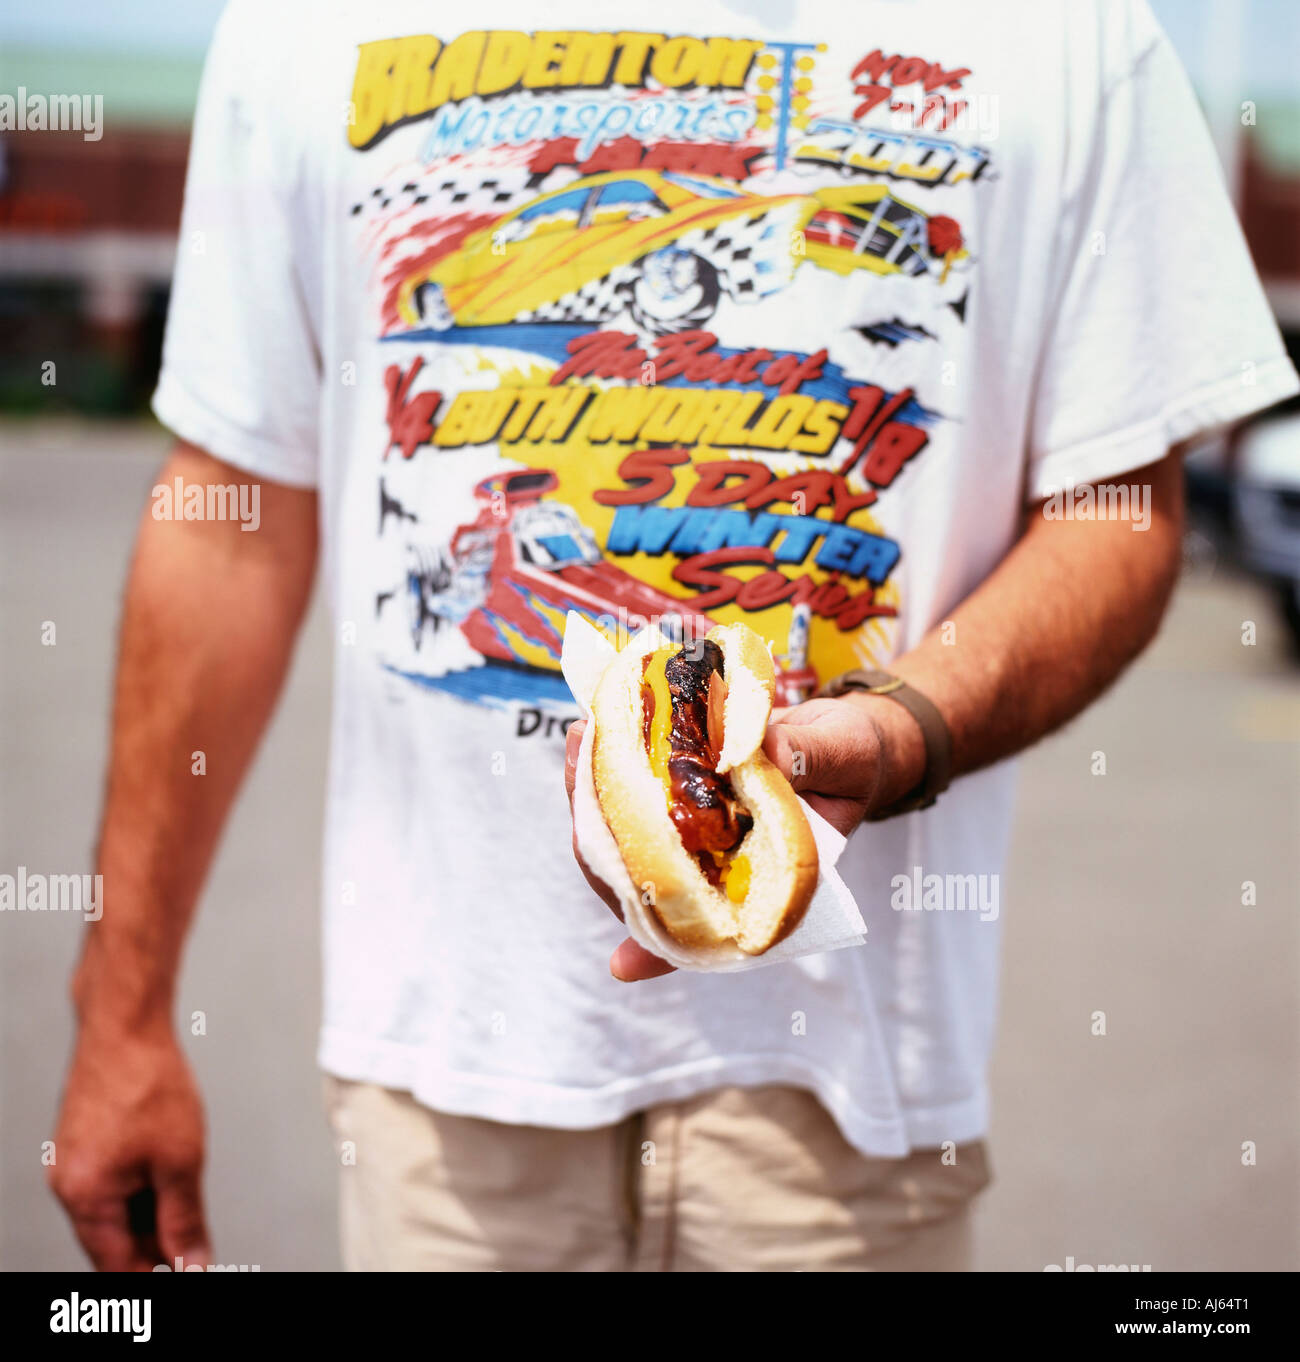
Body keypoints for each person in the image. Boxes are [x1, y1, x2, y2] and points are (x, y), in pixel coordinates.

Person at [50, 0, 1297, 1272]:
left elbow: (1117, 509)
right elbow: (229, 522)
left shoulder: (1072, 32)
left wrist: (904, 727)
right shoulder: (304, 27)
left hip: (846, 1113)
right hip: (446, 1094)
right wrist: (123, 1010)